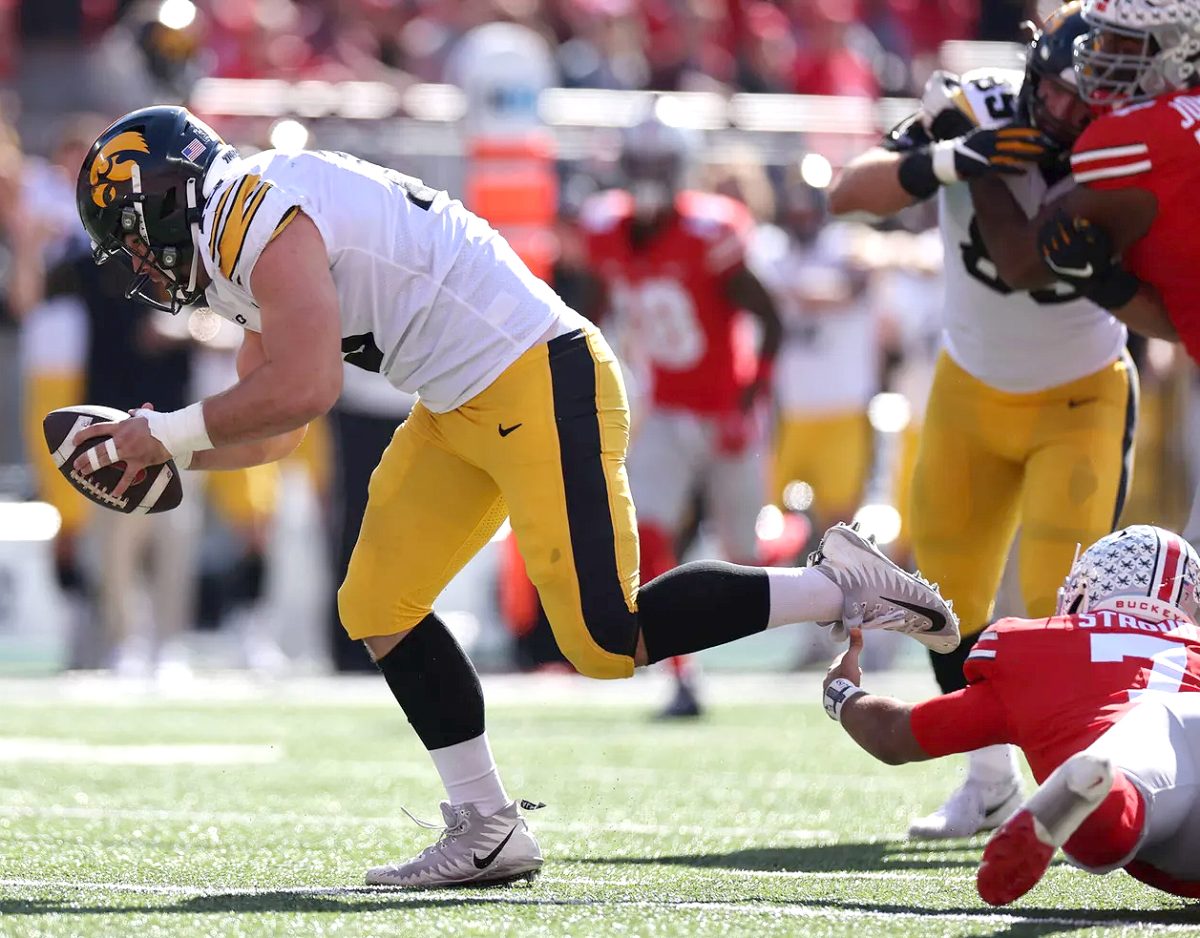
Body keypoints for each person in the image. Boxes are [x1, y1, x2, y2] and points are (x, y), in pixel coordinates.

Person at [70, 105, 959, 888]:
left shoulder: (252, 211)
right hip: (460, 399)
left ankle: (838, 587)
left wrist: (168, 432)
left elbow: (305, 389)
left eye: (139, 236)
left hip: (538, 375)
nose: (144, 264)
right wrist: (167, 455)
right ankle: (487, 825)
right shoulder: (241, 228)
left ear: (171, 193)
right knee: (375, 600)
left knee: (606, 639)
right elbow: (277, 428)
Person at [826, 2, 1140, 840]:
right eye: (1059, 92)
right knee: (945, 603)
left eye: (1088, 101)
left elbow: (1028, 265)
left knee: (1063, 607)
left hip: (1080, 397)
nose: (1069, 113)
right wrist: (950, 158)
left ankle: (1087, 791)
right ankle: (989, 780)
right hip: (969, 391)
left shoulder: (1124, 142)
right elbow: (846, 194)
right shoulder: (980, 104)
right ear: (1032, 69)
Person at [822, 524, 1200, 906]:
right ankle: (1096, 795)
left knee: (1127, 792)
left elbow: (894, 734)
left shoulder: (1042, 649)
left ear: (1085, 587)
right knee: (1158, 748)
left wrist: (842, 694)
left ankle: (1100, 796)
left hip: (1145, 773)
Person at [959, 0, 1200, 555]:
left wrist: (973, 152)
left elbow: (1019, 262)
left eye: (1124, 44)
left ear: (1180, 51)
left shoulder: (1133, 141)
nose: (1101, 53)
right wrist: (1107, 285)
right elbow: (1181, 317)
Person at [579, 114, 783, 719]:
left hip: (725, 406)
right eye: (638, 167)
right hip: (666, 409)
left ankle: (793, 536)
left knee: (745, 552)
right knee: (649, 535)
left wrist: (752, 398)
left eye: (657, 167)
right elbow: (588, 311)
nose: (646, 180)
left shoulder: (709, 230)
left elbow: (769, 317)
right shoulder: (605, 230)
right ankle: (680, 672)